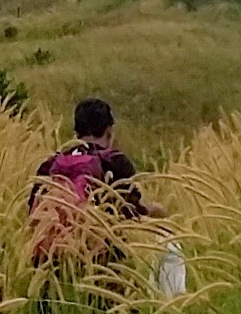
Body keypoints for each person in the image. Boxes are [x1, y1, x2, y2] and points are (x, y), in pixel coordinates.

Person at [29, 97, 157, 280]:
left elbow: (33, 216)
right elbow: (131, 213)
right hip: (104, 270)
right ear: (110, 132)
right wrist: (158, 213)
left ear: (75, 133)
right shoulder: (116, 162)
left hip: (50, 269)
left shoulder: (49, 165)